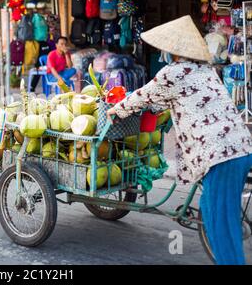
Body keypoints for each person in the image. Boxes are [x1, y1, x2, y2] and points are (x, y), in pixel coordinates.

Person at [107, 15, 252, 265]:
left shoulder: (172, 73)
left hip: (219, 155)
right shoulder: (205, 71)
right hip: (240, 148)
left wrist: (115, 110)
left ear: (172, 50)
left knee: (221, 225)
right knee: (210, 208)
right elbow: (170, 100)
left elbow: (143, 96)